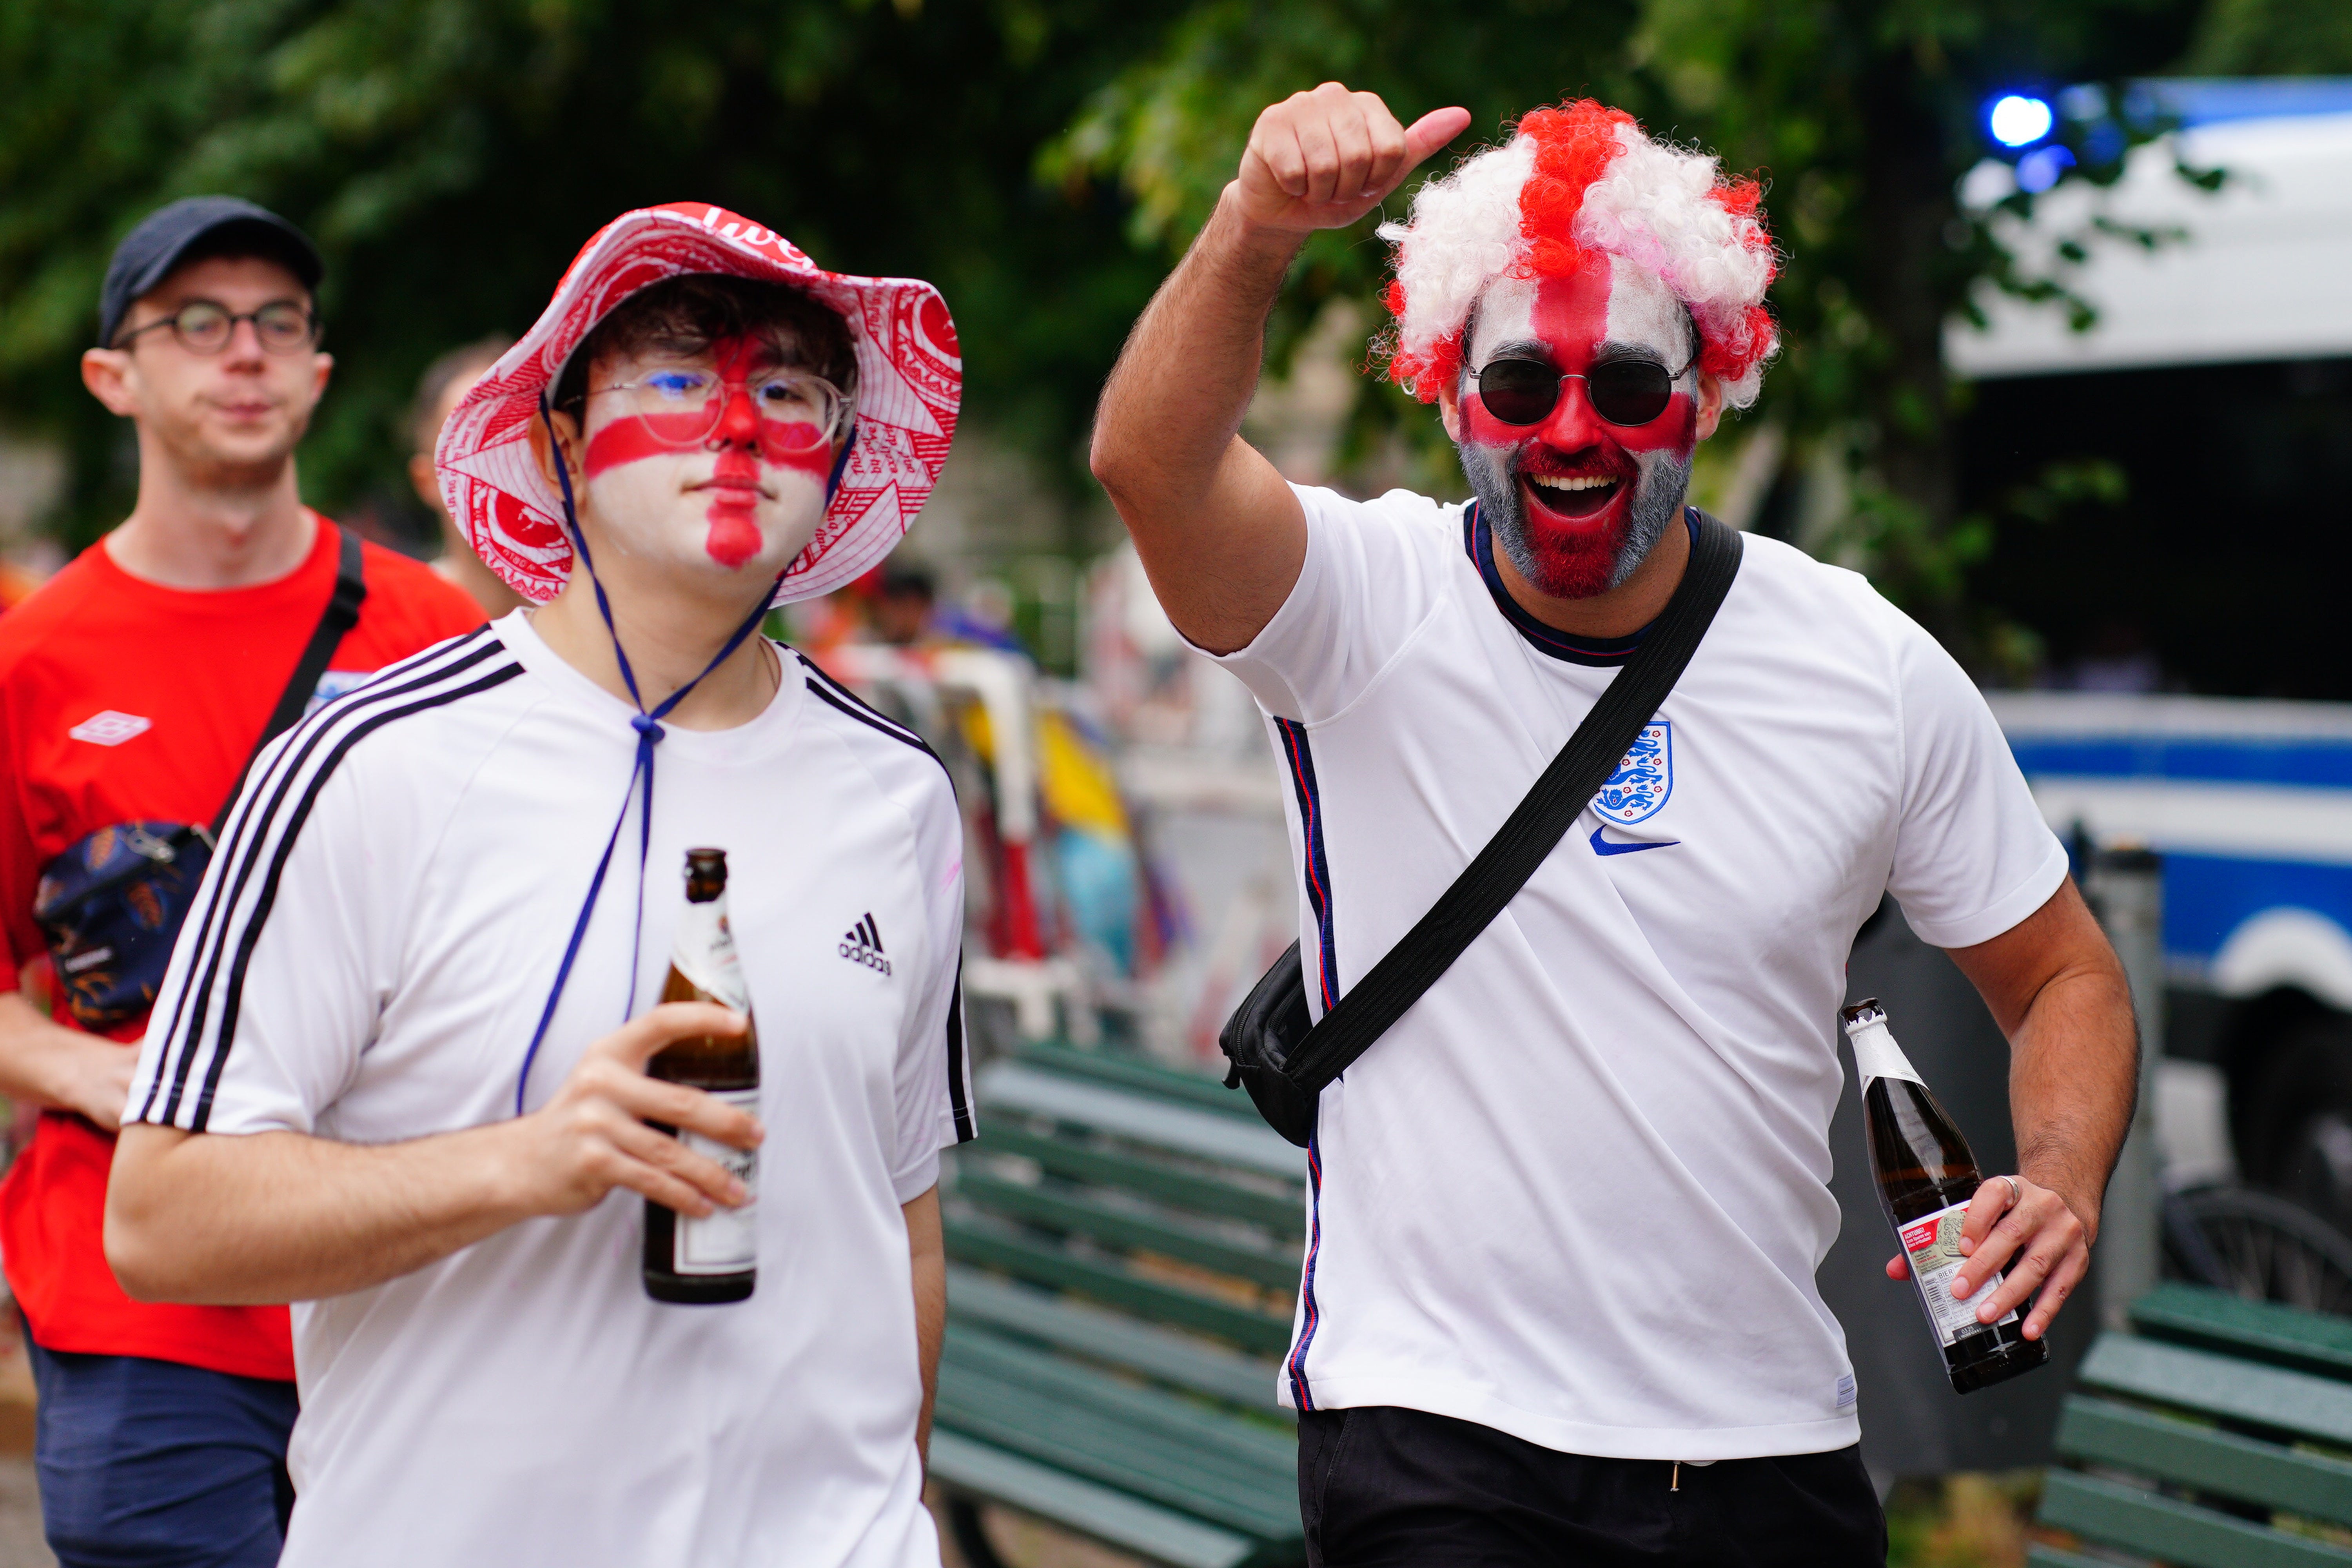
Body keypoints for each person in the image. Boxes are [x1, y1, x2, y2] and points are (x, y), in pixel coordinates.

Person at [1090, 87, 2138, 1565]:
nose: (1570, 431)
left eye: (1626, 386)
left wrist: (2062, 1174)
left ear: (1706, 390)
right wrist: (1254, 229)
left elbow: (2062, 976)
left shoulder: (1862, 663)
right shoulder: (1355, 606)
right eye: (1519, 386)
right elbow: (1152, 465)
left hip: (1767, 1446)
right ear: (1451, 394)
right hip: (1438, 1432)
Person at [106, 202, 971, 1566]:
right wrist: (518, 1165)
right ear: (562, 440)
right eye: (679, 379)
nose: (739, 429)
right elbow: (159, 1220)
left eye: (792, 390)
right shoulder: (371, 761)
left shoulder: (900, 795)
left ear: (845, 451)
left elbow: (899, 1223)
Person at [0, 196, 485, 1566]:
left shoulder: (436, 632)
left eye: (279, 322)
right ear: (114, 376)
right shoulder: (35, 661)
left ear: (321, 372)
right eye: (197, 323)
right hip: (141, 1303)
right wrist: (97, 1077)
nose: (246, 354)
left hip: (404, 1283)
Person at [408, 336, 528, 617]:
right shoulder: (402, 621)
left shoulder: (608, 614)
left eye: (522, 433)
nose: (504, 465)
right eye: (472, 444)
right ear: (426, 483)